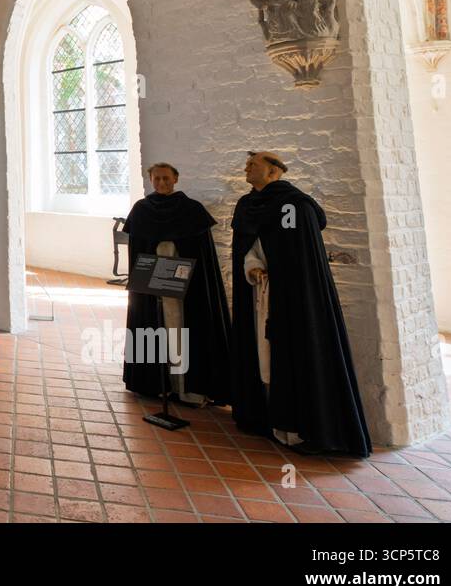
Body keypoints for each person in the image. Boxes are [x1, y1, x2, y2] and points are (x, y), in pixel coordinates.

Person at [229, 151, 372, 457]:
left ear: (273, 172)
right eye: (247, 165)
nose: (247, 168)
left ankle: (295, 426)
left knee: (289, 354)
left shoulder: (293, 205)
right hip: (259, 293)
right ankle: (263, 415)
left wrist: (282, 277)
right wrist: (252, 266)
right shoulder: (247, 205)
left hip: (290, 301)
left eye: (253, 165)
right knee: (260, 353)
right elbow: (250, 245)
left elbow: (296, 254)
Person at [122, 163, 232, 406]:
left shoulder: (191, 210)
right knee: (155, 329)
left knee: (188, 332)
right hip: (154, 289)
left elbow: (202, 256)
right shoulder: (141, 211)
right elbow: (138, 252)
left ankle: (189, 388)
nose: (161, 183)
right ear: (150, 180)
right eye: (157, 178)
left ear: (176, 179)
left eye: (166, 178)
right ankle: (157, 384)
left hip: (188, 290)